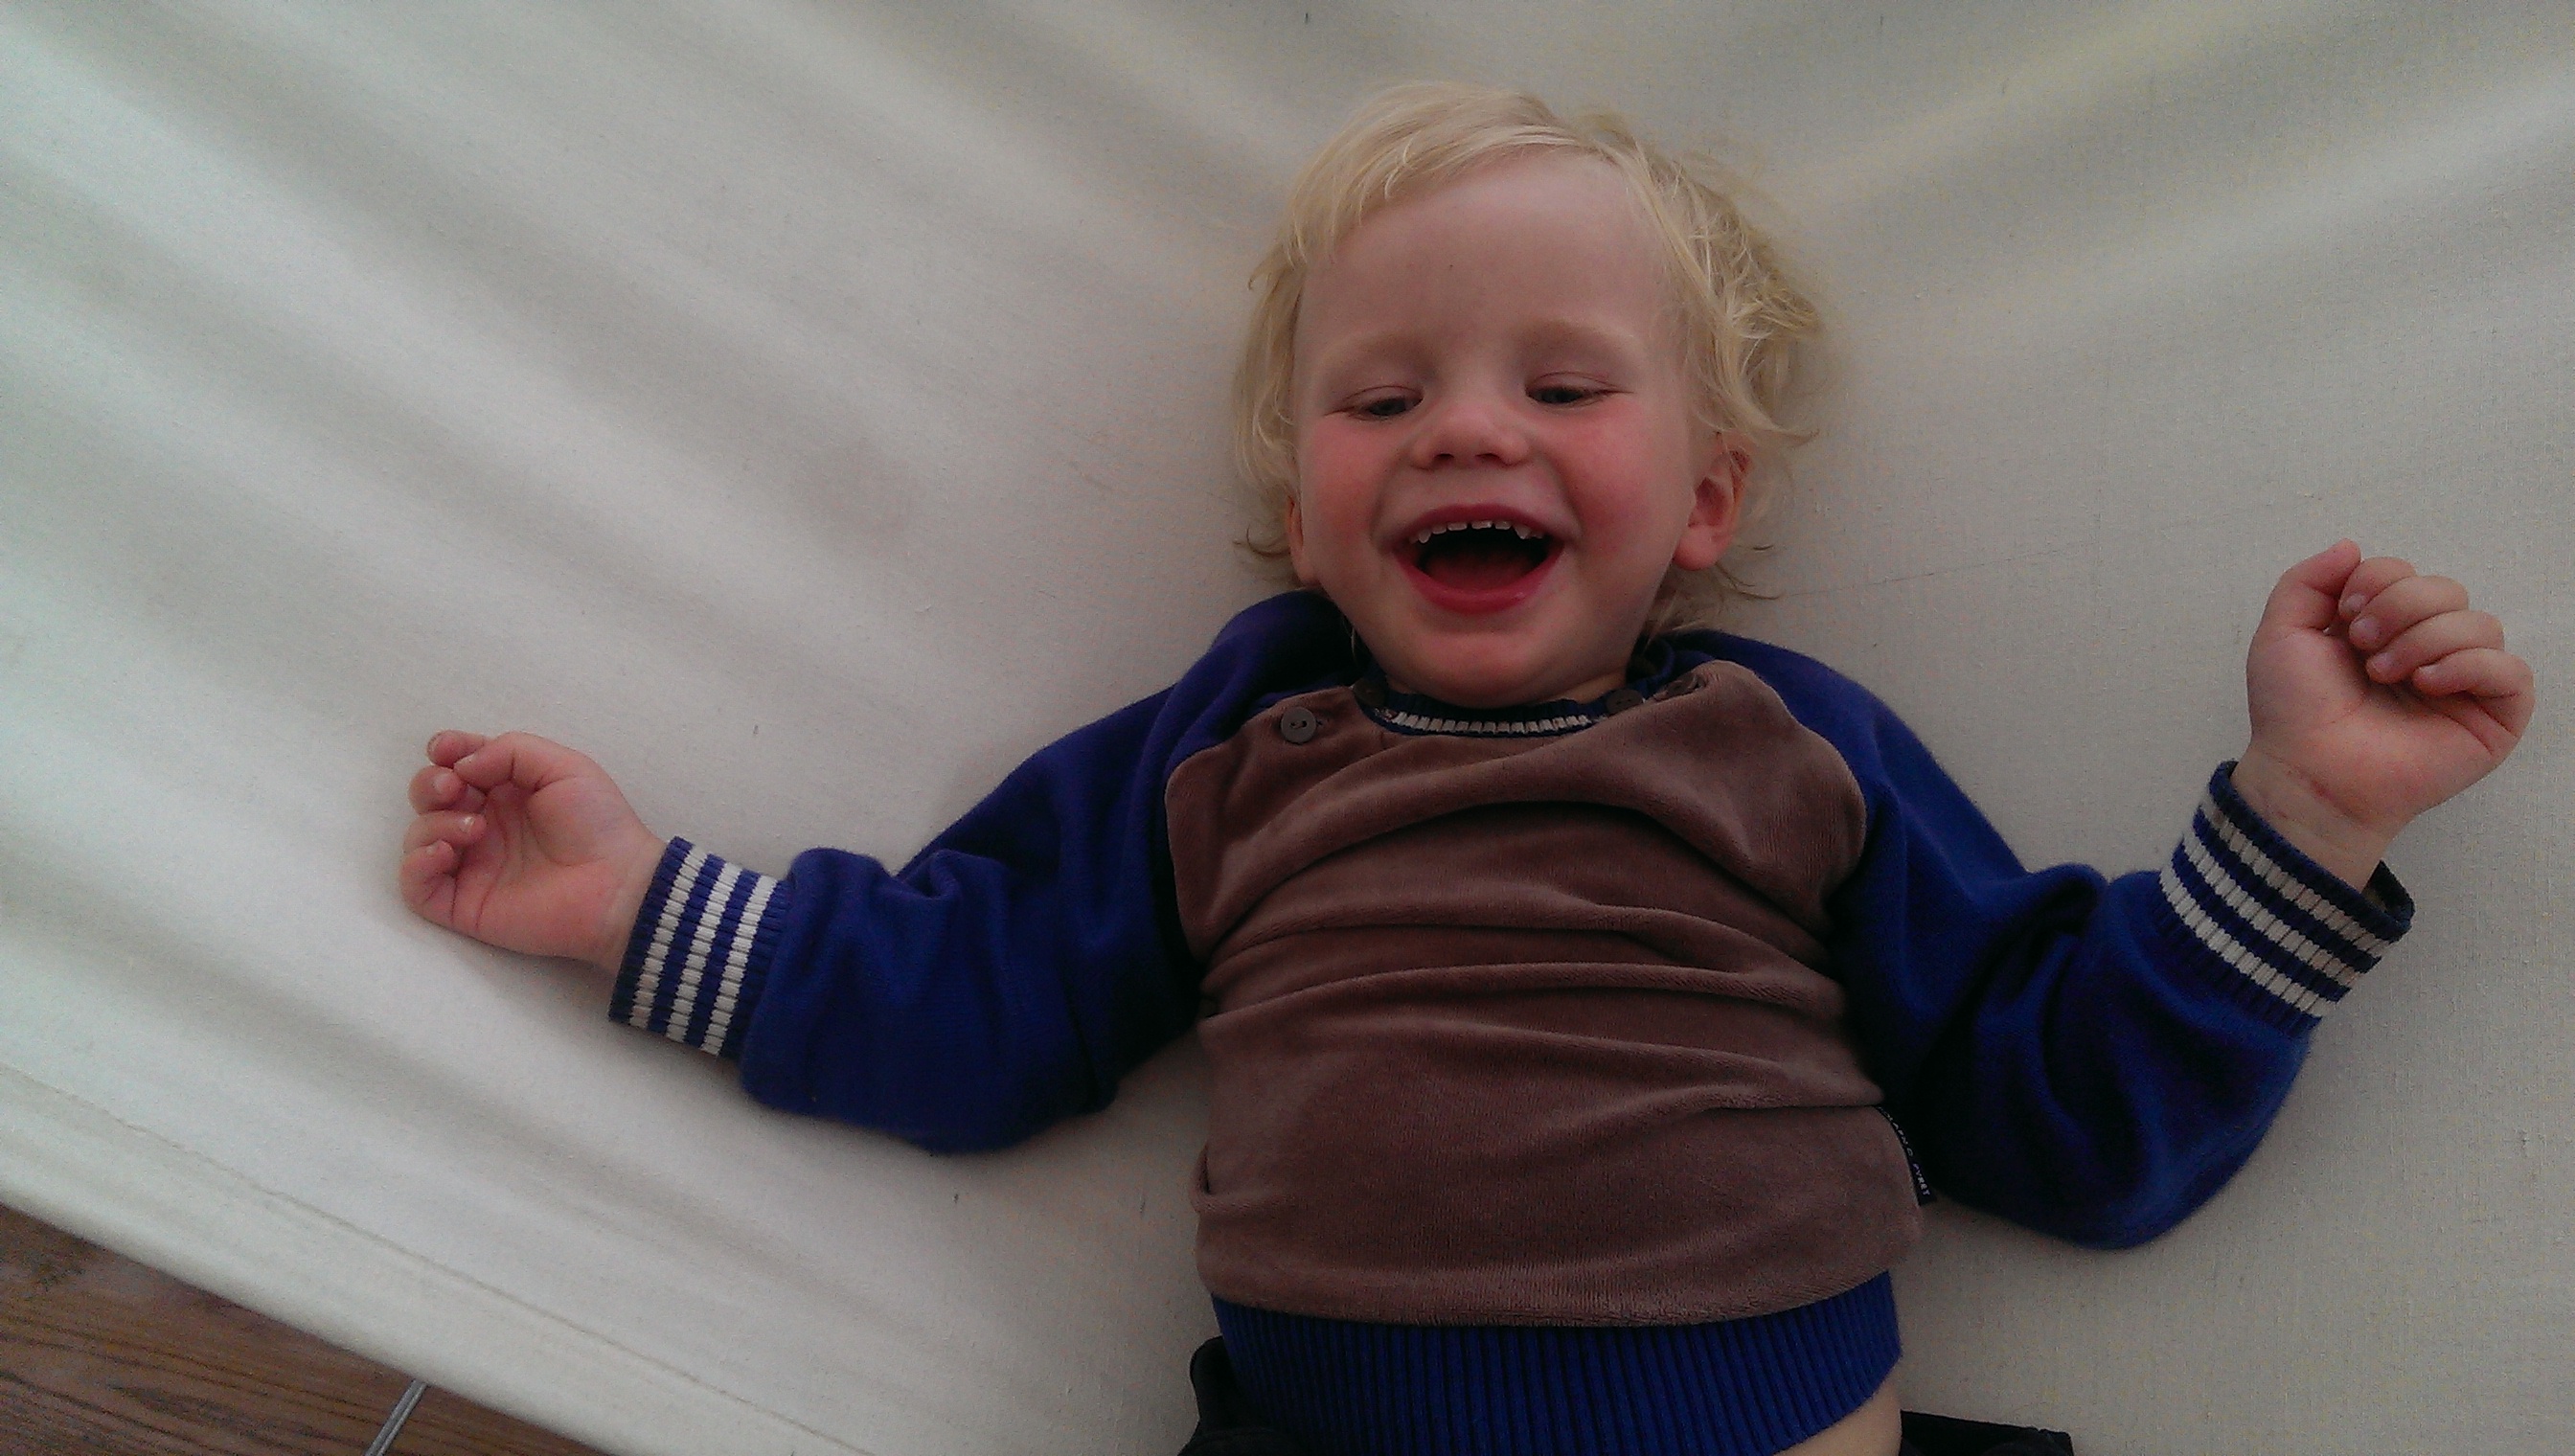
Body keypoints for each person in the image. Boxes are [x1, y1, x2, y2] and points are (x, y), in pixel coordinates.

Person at [396, 84, 2533, 1456]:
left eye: (1564, 384)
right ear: (1303, 507)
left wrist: (2311, 813)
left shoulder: (1783, 747)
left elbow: (2054, 1110)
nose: (1466, 428)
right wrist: (638, 903)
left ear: (1706, 497)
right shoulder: (1239, 740)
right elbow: (986, 991)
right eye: (1381, 397)